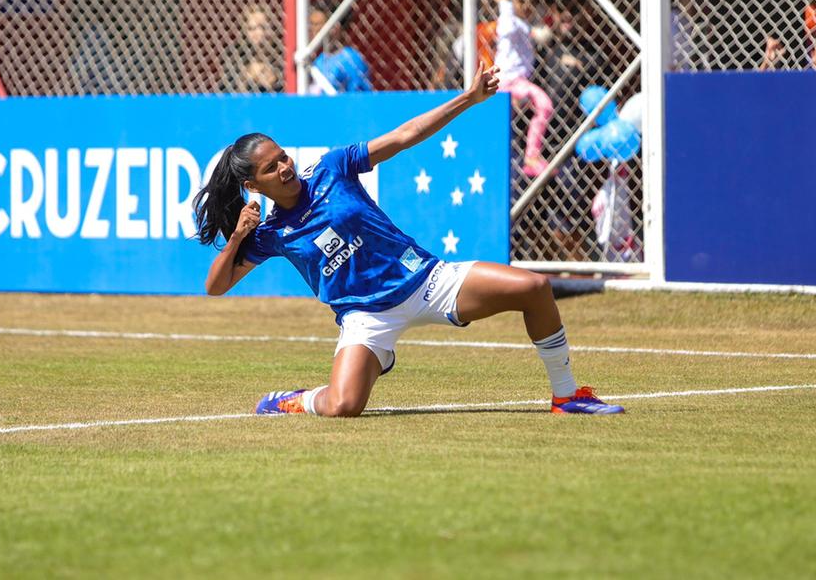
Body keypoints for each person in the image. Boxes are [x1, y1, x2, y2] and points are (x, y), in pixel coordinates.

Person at [192, 64, 624, 418]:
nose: (284, 167)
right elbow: (216, 286)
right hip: (365, 317)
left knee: (533, 287)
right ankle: (294, 400)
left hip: (427, 281)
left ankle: (568, 397)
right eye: (270, 169)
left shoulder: (330, 169)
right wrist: (238, 239)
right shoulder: (270, 234)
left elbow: (404, 136)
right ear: (253, 185)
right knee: (343, 407)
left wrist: (467, 99)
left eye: (282, 156)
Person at [491, 0, 555, 178]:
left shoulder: (524, 25)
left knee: (541, 108)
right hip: (505, 81)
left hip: (518, 83)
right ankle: (531, 157)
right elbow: (506, 28)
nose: (527, 6)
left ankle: (529, 157)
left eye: (531, 1)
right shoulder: (508, 21)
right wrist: (505, 3)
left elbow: (537, 34)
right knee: (543, 104)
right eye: (521, 1)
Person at [308, 0, 373, 93]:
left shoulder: (350, 58)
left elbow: (360, 97)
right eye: (312, 24)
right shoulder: (320, 60)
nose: (313, 30)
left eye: (317, 24)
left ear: (335, 26)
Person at [220, 5, 284, 93]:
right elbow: (226, 87)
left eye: (263, 27)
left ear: (272, 28)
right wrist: (248, 74)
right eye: (251, 28)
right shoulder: (236, 52)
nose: (259, 33)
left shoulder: (282, 52)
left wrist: (275, 77)